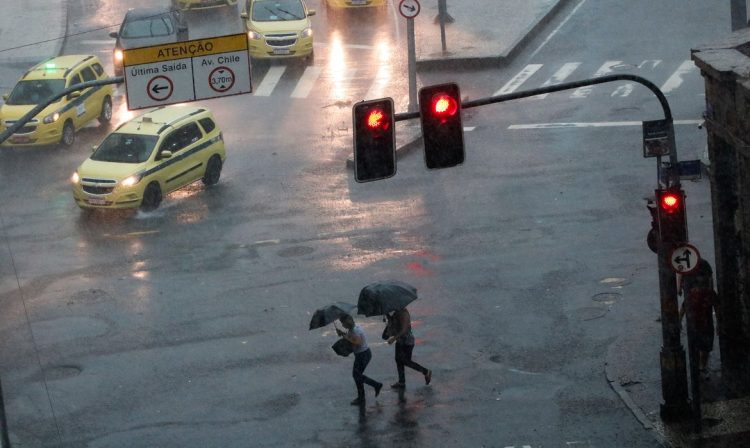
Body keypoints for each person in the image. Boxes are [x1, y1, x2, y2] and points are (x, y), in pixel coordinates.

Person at [678, 259, 718, 377]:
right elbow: (684, 307)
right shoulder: (695, 293)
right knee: (700, 345)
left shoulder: (706, 293)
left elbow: (717, 307)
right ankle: (700, 367)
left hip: (702, 322)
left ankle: (701, 367)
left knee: (703, 346)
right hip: (698, 322)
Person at [337, 314, 383, 405]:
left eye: (343, 323)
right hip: (361, 355)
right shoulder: (352, 329)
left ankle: (376, 385)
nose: (343, 325)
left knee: (357, 376)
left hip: (363, 355)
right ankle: (362, 397)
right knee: (357, 376)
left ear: (348, 321)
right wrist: (343, 334)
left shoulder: (355, 330)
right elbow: (352, 338)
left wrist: (345, 337)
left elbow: (358, 342)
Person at [384, 308, 432, 389]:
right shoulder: (396, 312)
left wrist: (394, 338)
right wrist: (387, 315)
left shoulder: (404, 313)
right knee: (398, 360)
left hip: (407, 341)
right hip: (400, 341)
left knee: (406, 361)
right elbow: (394, 322)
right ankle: (401, 382)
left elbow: (404, 329)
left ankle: (426, 371)